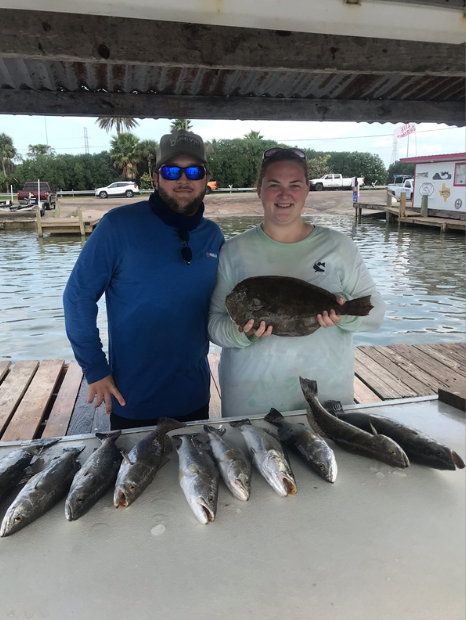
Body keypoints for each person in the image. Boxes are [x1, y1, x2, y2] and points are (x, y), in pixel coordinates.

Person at [63, 130, 224, 429]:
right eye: (172, 171)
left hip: (194, 396)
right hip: (132, 400)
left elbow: (226, 304)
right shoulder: (117, 226)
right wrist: (95, 368)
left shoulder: (213, 236)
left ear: (205, 178)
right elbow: (77, 298)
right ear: (156, 177)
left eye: (194, 171)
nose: (183, 179)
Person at [208, 147, 385, 417]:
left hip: (326, 397)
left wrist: (342, 314)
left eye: (294, 185)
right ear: (259, 189)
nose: (284, 194)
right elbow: (213, 325)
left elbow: (376, 315)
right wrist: (240, 333)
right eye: (274, 185)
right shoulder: (233, 251)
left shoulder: (339, 247)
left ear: (307, 190)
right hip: (250, 399)